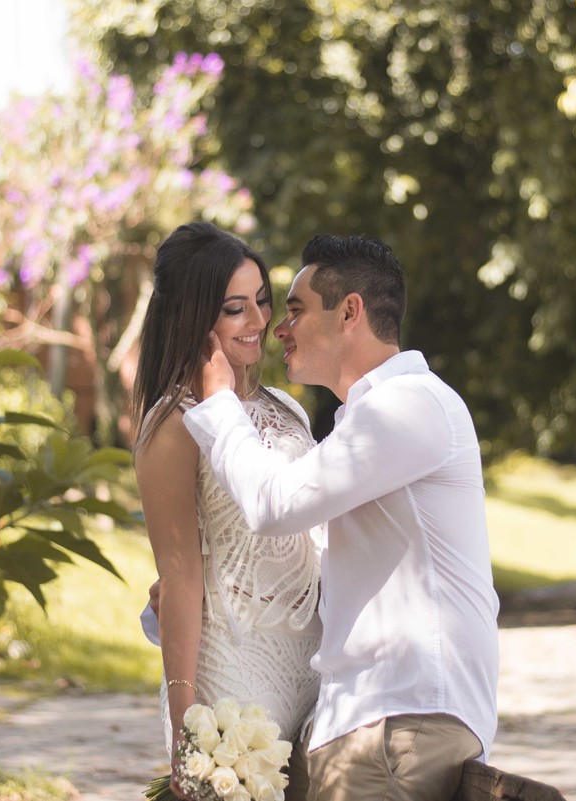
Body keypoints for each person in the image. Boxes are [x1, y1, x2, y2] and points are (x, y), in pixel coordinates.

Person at [183, 234, 500, 801]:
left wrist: (217, 403)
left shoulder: (408, 406)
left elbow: (274, 506)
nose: (278, 327)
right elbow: (322, 570)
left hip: (398, 722)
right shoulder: (371, 418)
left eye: (296, 309)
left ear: (350, 311)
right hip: (366, 721)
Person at [132, 221, 323, 801]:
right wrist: (185, 724)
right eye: (236, 308)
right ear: (195, 317)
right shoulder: (172, 426)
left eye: (262, 301)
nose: (261, 322)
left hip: (315, 669)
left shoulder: (286, 407)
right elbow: (181, 575)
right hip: (236, 676)